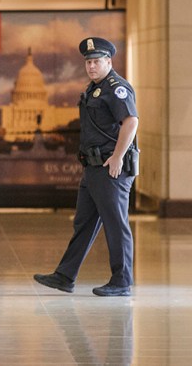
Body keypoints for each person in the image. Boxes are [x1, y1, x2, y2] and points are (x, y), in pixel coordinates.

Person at [34, 37, 139, 297]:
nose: (91, 67)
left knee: (116, 224)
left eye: (96, 62)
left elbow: (131, 122)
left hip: (110, 167)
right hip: (93, 167)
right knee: (84, 223)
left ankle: (122, 281)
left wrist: (117, 157)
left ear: (108, 61)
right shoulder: (94, 88)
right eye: (88, 62)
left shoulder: (116, 87)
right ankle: (65, 276)